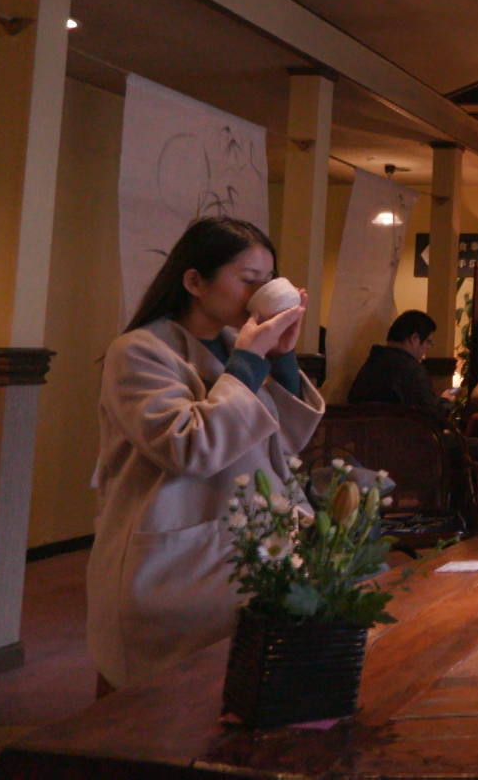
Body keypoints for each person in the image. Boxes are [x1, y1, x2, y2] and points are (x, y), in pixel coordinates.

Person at [88, 217, 322, 692]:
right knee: (159, 709)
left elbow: (284, 441)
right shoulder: (139, 351)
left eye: (268, 280)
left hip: (247, 552)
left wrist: (281, 357)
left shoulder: (238, 345)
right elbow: (189, 447)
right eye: (249, 280)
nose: (260, 294)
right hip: (174, 567)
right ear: (195, 282)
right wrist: (249, 363)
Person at [348, 310, 478, 527]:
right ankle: (476, 519)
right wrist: (445, 402)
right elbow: (432, 418)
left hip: (369, 449)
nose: (426, 349)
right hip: (412, 450)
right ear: (414, 338)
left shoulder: (371, 364)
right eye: (428, 342)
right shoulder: (411, 369)